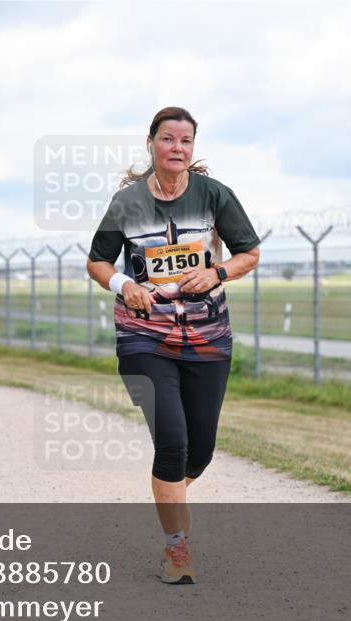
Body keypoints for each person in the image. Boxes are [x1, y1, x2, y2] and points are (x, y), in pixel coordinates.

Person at [87, 107, 261, 584]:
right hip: (144, 338)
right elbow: (98, 262)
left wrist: (217, 272)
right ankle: (176, 549)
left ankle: (171, 502)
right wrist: (125, 284)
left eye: (185, 141)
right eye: (168, 139)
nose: (177, 148)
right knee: (172, 442)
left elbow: (250, 253)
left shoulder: (215, 196)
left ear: (192, 148)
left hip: (207, 337)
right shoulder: (127, 202)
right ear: (151, 144)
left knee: (199, 453)